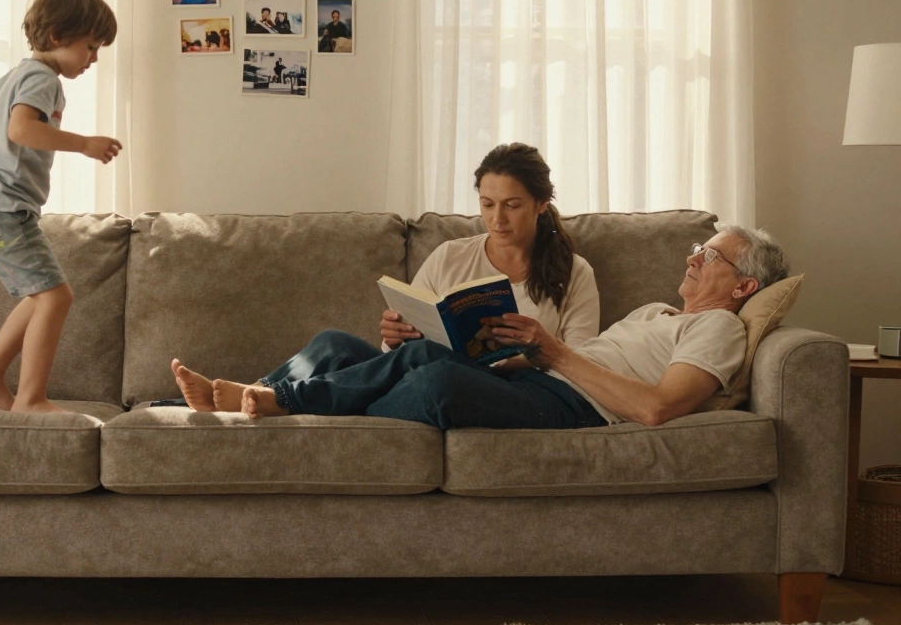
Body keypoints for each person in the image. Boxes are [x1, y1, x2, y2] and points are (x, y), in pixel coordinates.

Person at [178, 220, 788, 430]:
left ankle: (274, 402)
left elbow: (656, 409)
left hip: (570, 408)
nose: (691, 257)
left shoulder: (721, 331)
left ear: (744, 287)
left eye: (708, 255)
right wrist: (502, 353)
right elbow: (555, 360)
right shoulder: (655, 314)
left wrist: (550, 352)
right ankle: (242, 403)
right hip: (530, 378)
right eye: (697, 247)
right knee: (337, 345)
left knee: (436, 382)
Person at [171, 142, 604, 421]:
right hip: (426, 363)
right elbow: (402, 348)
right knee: (333, 344)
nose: (497, 218)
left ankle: (271, 398)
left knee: (427, 368)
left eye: (512, 205)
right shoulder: (451, 256)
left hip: (503, 388)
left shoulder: (573, 272)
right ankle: (250, 396)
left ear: (542, 204)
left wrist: (517, 356)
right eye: (487, 204)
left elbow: (582, 362)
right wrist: (394, 336)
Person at [0, 0, 122, 414]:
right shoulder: (41, 78)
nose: (93, 59)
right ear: (58, 37)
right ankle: (31, 397)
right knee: (56, 297)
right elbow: (21, 130)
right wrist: (84, 144)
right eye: (91, 47)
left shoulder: (16, 74)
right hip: (1, 210)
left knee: (41, 295)